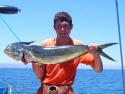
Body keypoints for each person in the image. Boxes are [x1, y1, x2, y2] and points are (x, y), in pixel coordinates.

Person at [22, 11, 103, 94]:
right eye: (59, 26)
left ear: (71, 27)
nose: (62, 30)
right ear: (54, 28)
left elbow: (98, 69)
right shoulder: (45, 45)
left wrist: (96, 54)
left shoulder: (78, 46)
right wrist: (33, 60)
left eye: (65, 26)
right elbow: (40, 76)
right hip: (45, 91)